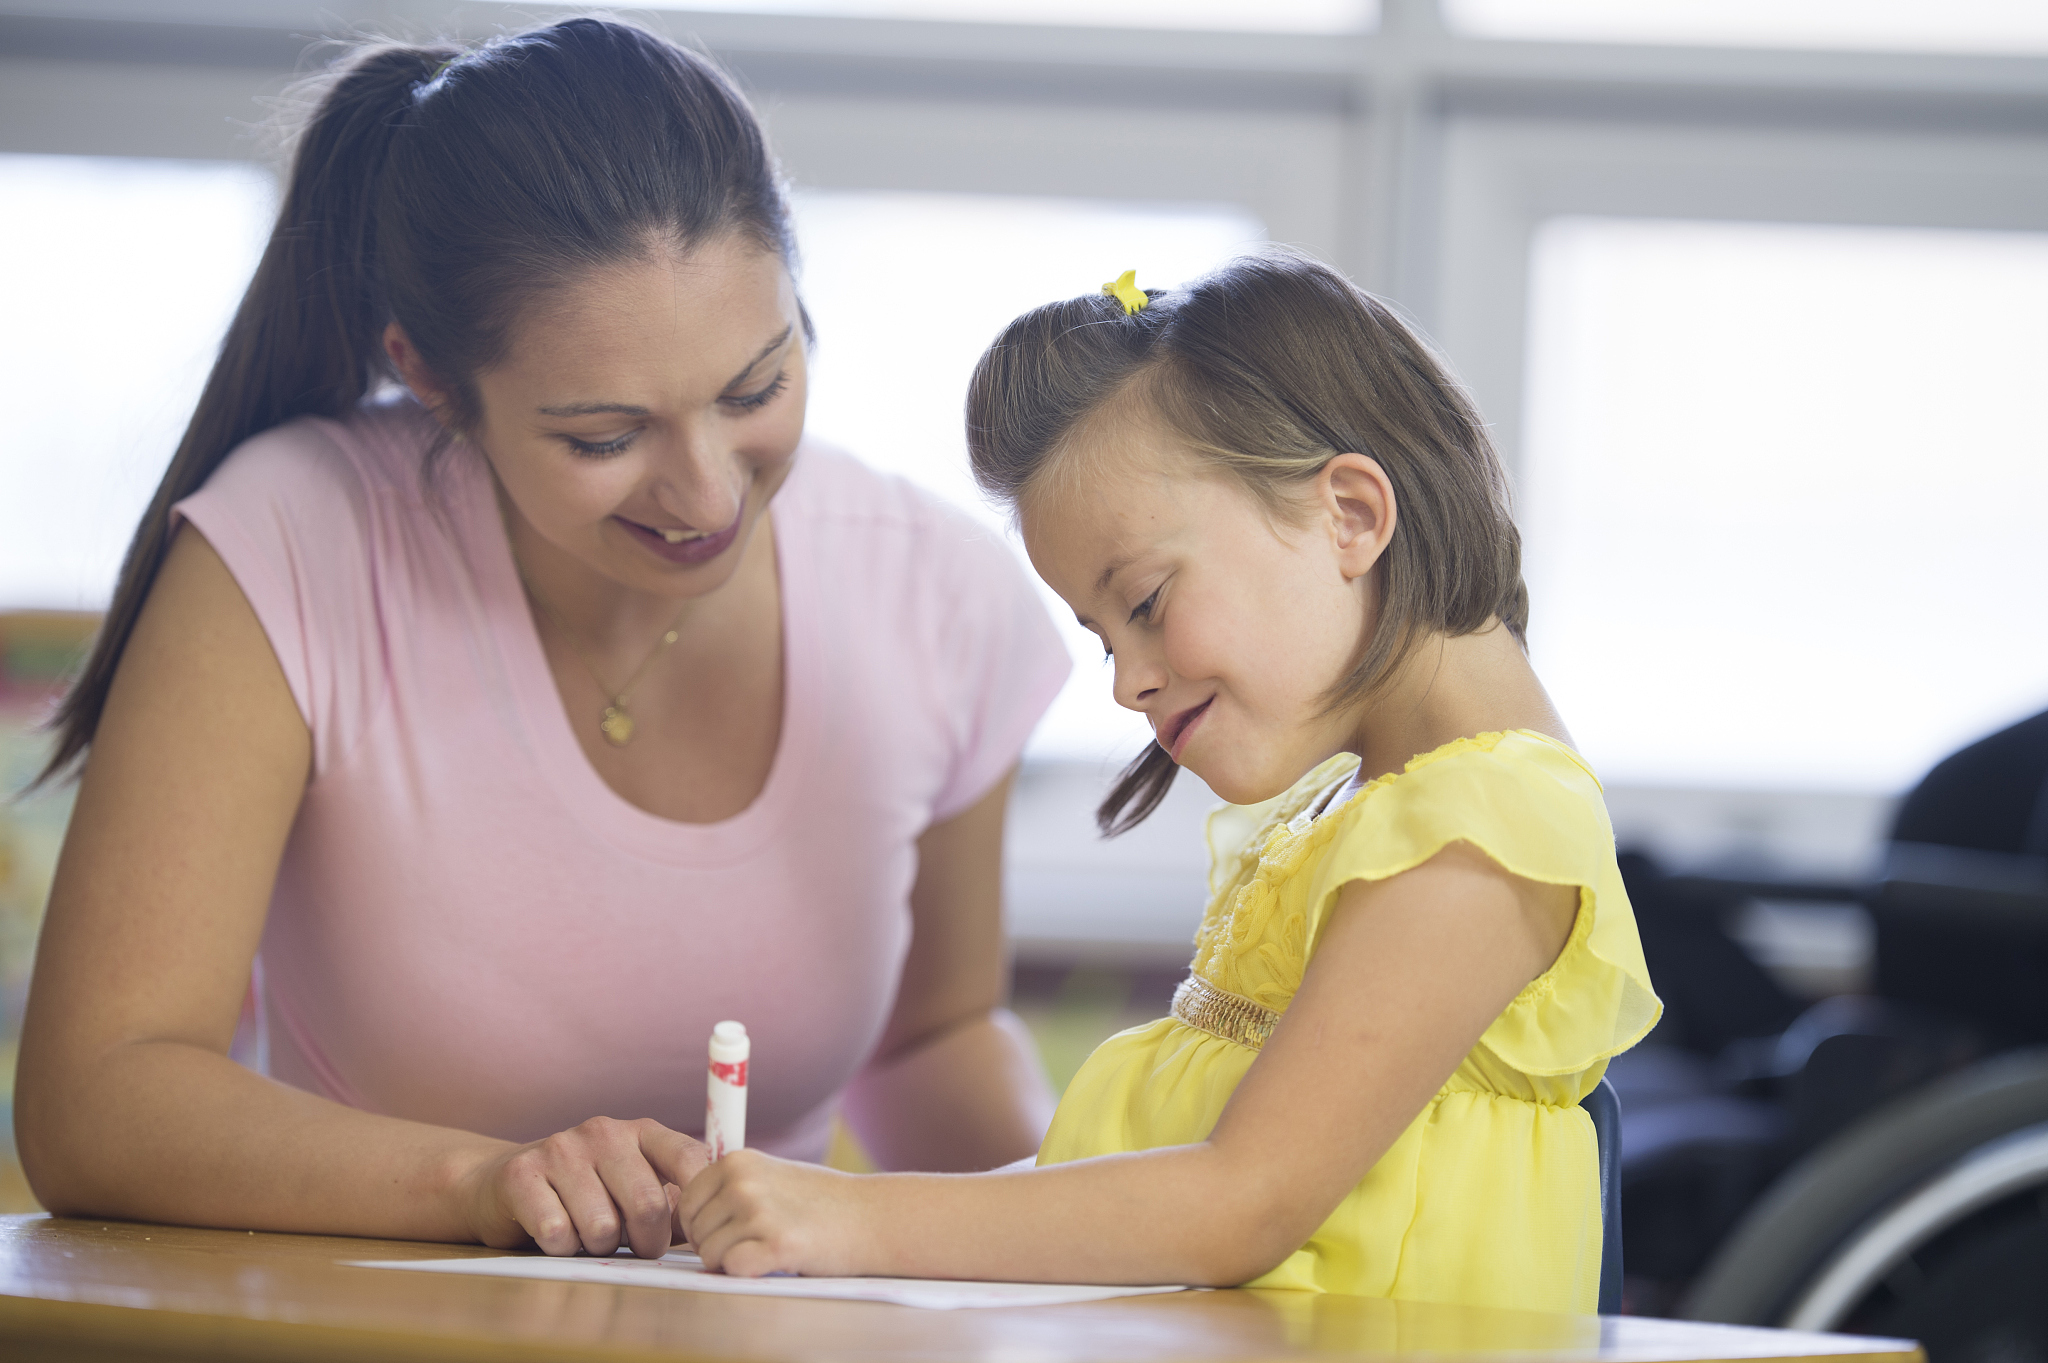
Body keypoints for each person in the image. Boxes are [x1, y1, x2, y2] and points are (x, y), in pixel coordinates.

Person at [14, 17, 1069, 1259]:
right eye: (603, 436)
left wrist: (1096, 1213)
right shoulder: (291, 540)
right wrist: (488, 1184)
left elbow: (926, 1040)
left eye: (753, 390)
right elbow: (96, 1098)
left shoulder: (935, 590)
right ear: (433, 379)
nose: (707, 492)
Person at [675, 251, 1663, 1313]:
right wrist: (812, 1217)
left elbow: (1241, 1200)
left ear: (1348, 516)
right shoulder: (1352, 820)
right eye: (1100, 640)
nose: (1127, 684)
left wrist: (853, 1220)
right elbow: (1137, 1195)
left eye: (1142, 602)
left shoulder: (1481, 831)